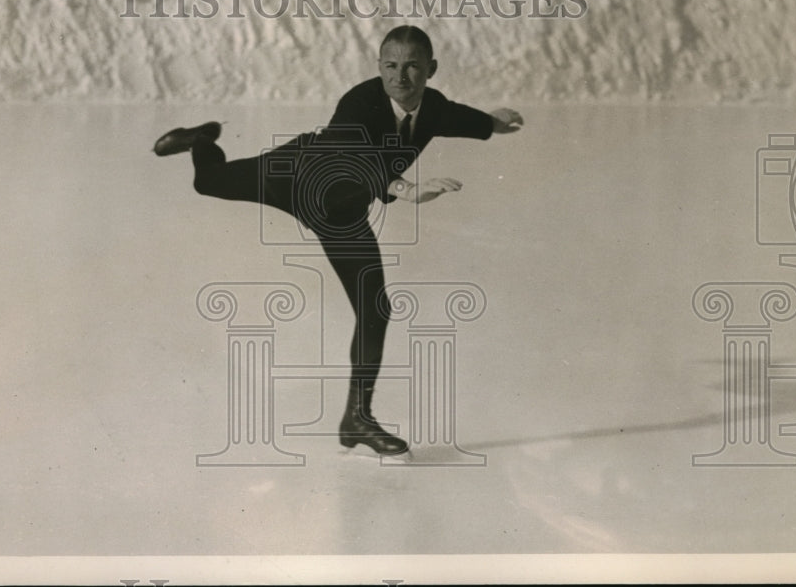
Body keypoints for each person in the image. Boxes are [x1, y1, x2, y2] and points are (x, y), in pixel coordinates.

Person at [154, 25, 523, 456]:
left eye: (412, 68)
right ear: (378, 67)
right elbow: (354, 158)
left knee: (375, 306)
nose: (400, 77)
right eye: (390, 66)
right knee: (209, 182)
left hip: (341, 213)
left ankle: (357, 418)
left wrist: (492, 123)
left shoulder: (433, 106)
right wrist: (407, 189)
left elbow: (456, 116)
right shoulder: (360, 101)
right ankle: (200, 140)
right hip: (298, 175)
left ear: (431, 70)